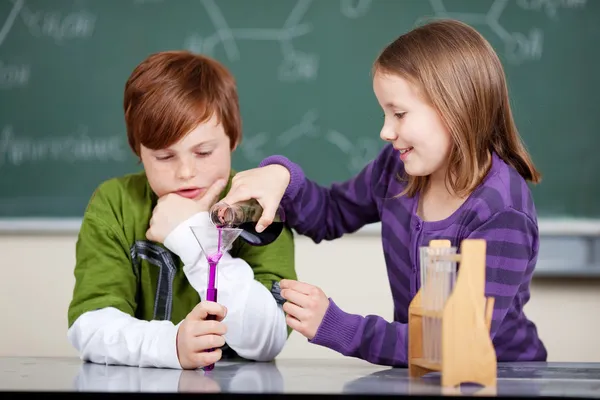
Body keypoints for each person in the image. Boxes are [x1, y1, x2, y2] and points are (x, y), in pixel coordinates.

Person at [221, 19, 548, 365]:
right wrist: (283, 177)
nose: (386, 131)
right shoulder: (397, 171)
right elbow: (329, 214)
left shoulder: (501, 211)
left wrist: (338, 326)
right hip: (422, 373)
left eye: (399, 114)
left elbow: (453, 342)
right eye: (384, 113)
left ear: (457, 108)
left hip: (501, 377)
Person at [67, 50, 297, 369]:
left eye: (203, 152)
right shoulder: (114, 203)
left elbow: (268, 339)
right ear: (138, 149)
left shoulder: (259, 205)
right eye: (164, 157)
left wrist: (192, 237)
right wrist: (172, 346)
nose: (186, 172)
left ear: (233, 138)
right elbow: (89, 327)